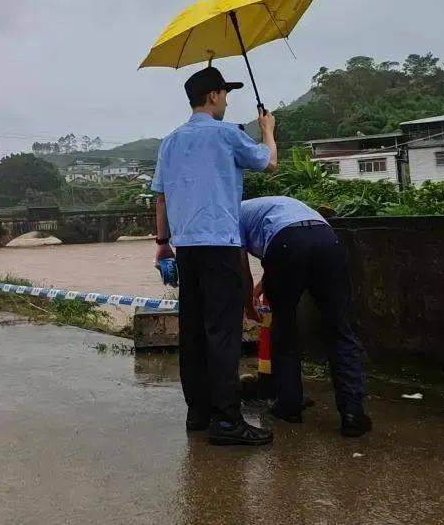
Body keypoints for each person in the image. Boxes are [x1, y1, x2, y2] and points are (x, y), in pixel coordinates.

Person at [152, 67, 277, 446]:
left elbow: (160, 198)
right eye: (224, 94)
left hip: (186, 249)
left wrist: (162, 242)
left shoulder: (169, 142)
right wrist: (268, 129)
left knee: (193, 332)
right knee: (222, 332)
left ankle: (199, 412)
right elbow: (269, 163)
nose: (226, 101)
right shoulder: (227, 134)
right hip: (220, 246)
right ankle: (226, 420)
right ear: (212, 97)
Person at [239, 195, 372, 437]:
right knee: (340, 328)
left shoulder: (231, 215)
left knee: (284, 326)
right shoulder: (274, 205)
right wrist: (262, 287)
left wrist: (248, 304)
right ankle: (352, 413)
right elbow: (296, 241)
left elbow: (244, 266)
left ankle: (288, 405)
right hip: (326, 240)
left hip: (285, 246)